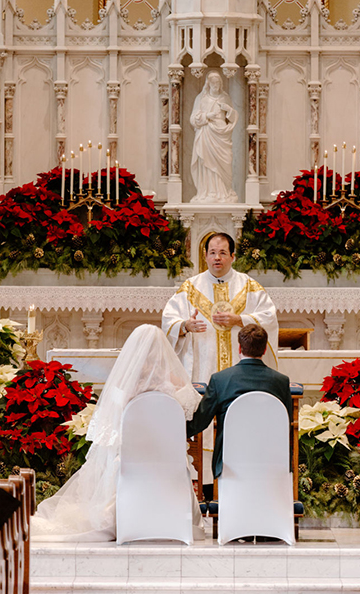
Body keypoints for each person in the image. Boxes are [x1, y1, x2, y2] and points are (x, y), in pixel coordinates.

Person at [31, 324, 203, 542]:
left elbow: (112, 431)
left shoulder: (124, 386)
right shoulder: (176, 383)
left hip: (132, 461)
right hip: (169, 461)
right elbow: (192, 413)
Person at [162, 232, 279, 486]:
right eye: (212, 252)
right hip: (203, 372)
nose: (217, 258)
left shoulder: (249, 286)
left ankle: (240, 478)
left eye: (223, 253)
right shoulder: (190, 288)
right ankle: (204, 482)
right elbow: (168, 321)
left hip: (242, 376)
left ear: (233, 256)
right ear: (204, 256)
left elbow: (269, 318)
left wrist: (240, 319)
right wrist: (185, 325)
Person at [186, 324, 292, 480]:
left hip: (230, 462)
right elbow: (286, 422)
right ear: (264, 350)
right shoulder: (281, 382)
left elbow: (200, 422)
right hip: (272, 462)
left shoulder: (220, 380)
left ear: (239, 349)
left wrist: (175, 432)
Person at [190, 70, 238, 203]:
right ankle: (208, 191)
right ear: (208, 84)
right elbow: (193, 119)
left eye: (218, 82)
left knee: (225, 162)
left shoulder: (225, 97)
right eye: (213, 82)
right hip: (206, 133)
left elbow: (233, 117)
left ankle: (223, 192)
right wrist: (206, 116)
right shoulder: (201, 98)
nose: (215, 84)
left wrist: (228, 110)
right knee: (207, 163)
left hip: (221, 135)